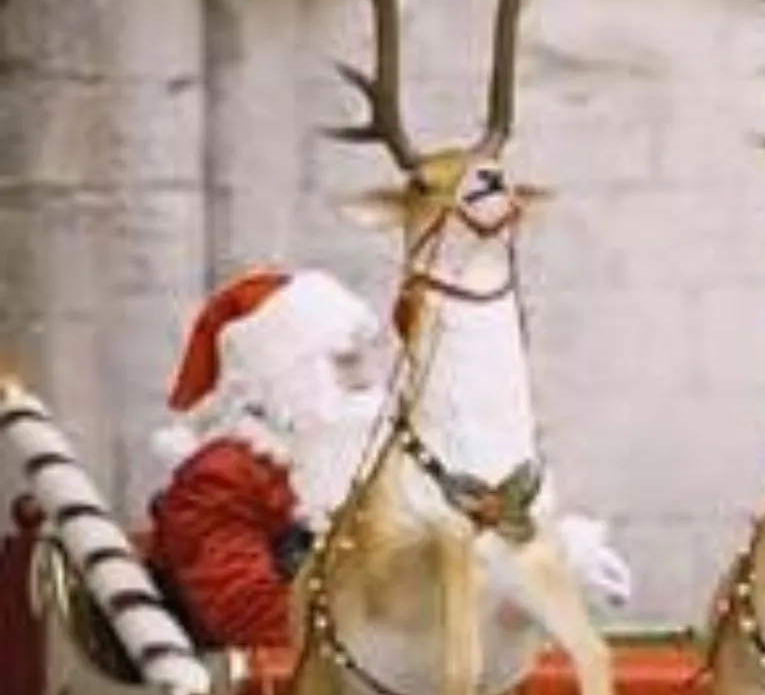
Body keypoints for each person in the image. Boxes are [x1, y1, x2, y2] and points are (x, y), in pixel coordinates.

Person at [147, 266, 631, 653]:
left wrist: (552, 559)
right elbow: (250, 617)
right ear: (282, 377)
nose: (366, 380)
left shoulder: (366, 455)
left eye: (365, 357)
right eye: (343, 362)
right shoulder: (222, 478)